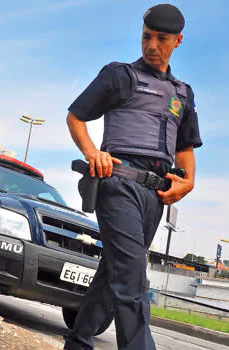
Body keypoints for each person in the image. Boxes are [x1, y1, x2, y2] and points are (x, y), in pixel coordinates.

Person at [63, 4, 202, 350]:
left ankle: (79, 343)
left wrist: (188, 182)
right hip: (119, 184)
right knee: (132, 278)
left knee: (113, 276)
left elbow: (185, 148)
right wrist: (92, 152)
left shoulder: (183, 93)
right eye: (147, 37)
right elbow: (76, 116)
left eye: (162, 39)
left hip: (156, 196)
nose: (152, 45)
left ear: (178, 41)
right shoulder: (119, 75)